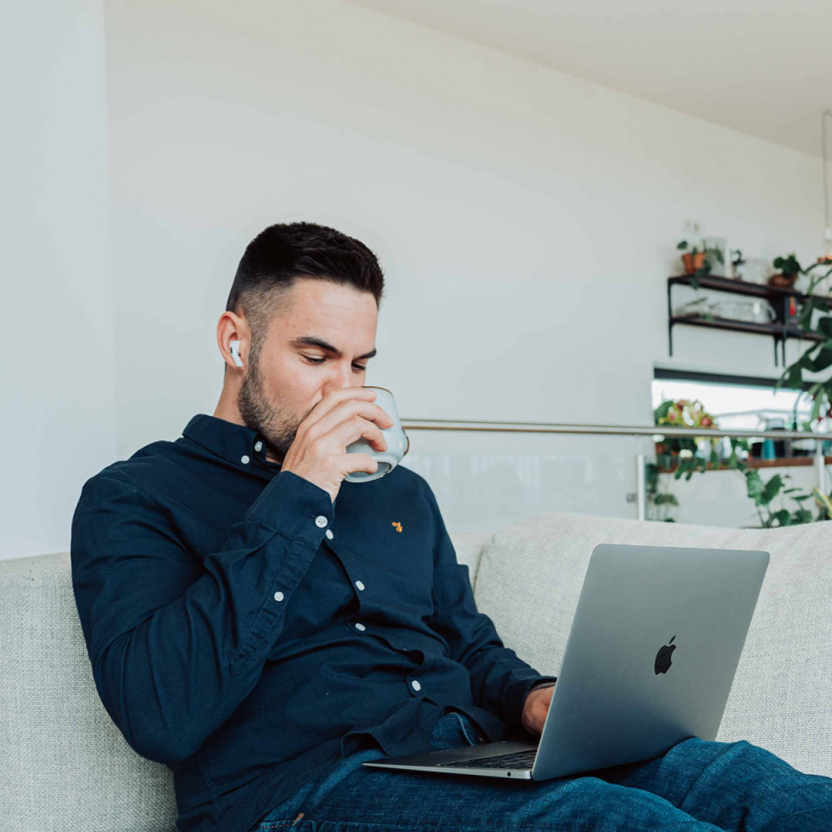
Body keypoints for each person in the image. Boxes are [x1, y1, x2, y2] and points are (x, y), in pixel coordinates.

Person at [71, 222, 832, 832]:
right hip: (303, 794)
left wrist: (535, 698)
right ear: (236, 341)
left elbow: (468, 646)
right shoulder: (134, 498)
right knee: (608, 819)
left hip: (469, 758)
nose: (347, 390)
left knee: (738, 779)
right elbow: (163, 715)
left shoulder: (399, 495)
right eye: (316, 357)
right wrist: (301, 485)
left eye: (362, 364)